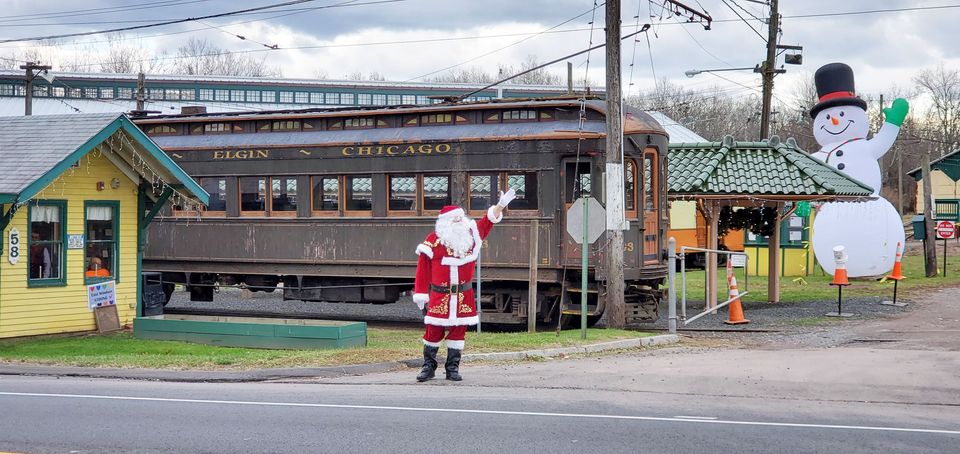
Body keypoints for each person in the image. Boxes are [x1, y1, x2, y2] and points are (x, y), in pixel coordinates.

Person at [412, 189, 516, 382]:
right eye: (455, 219)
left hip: (463, 296)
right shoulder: (433, 241)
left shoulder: (471, 236)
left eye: (461, 218)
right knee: (433, 331)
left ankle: (452, 368)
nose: (460, 222)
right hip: (439, 296)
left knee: (459, 331)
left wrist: (501, 205)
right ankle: (429, 366)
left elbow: (488, 221)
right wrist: (420, 293)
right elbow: (423, 270)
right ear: (445, 223)